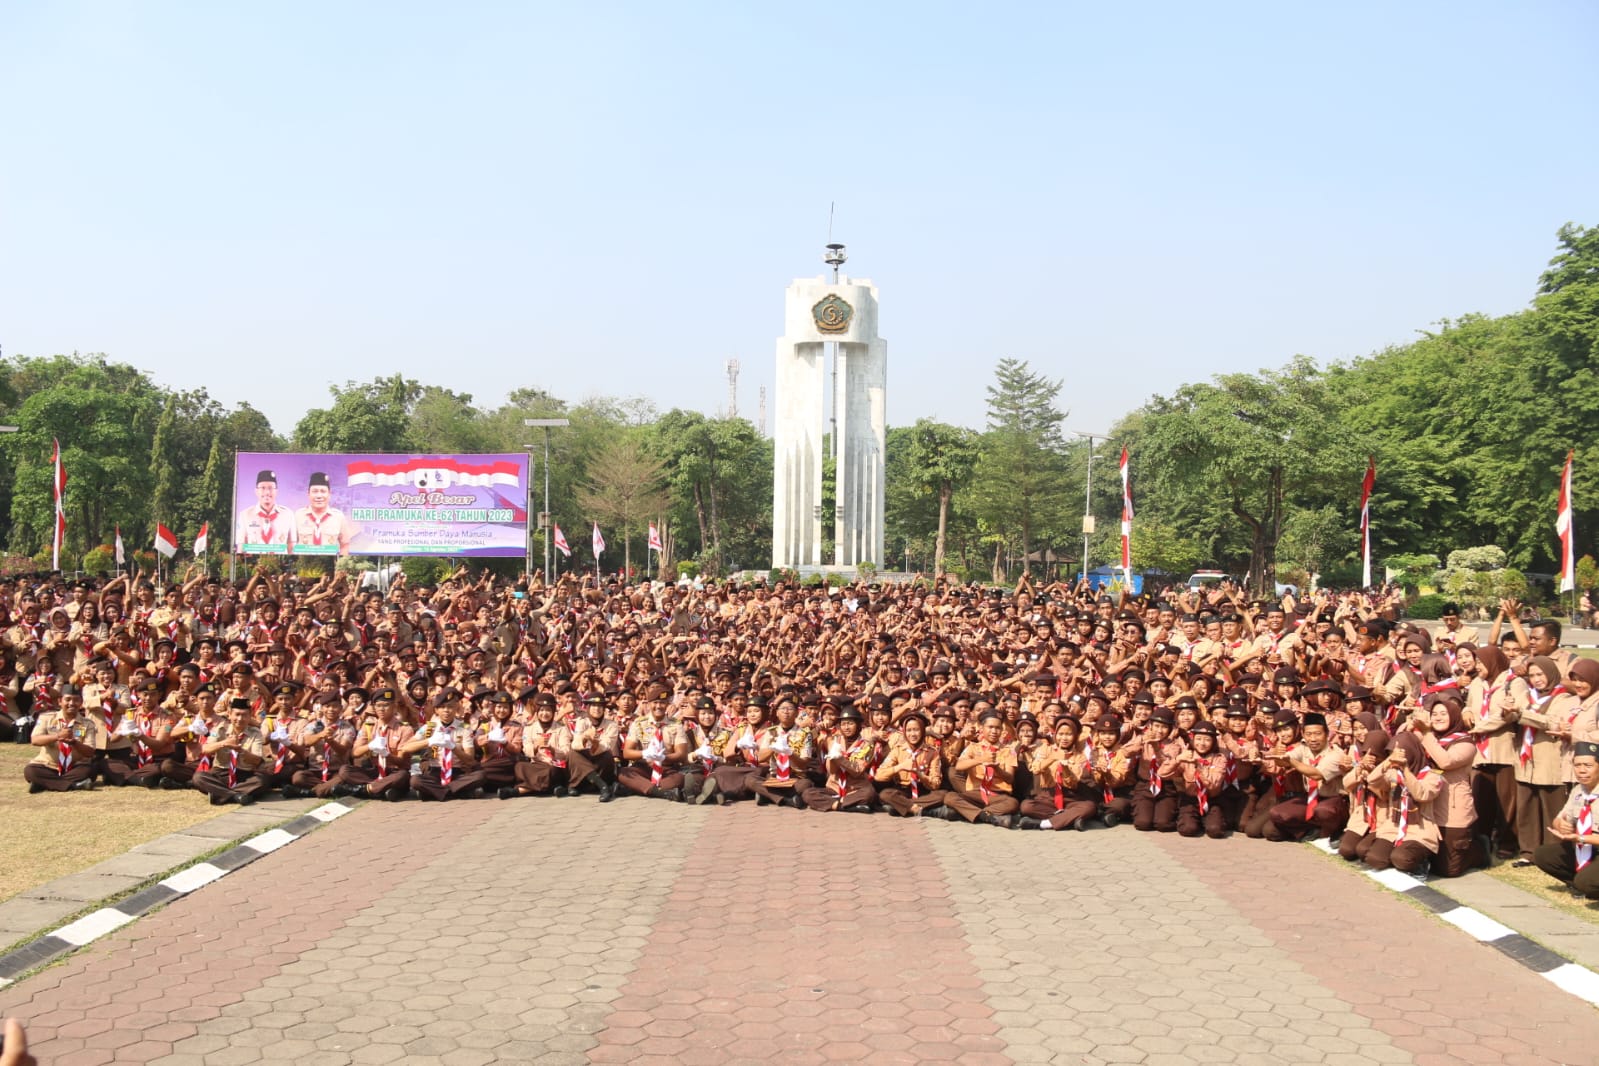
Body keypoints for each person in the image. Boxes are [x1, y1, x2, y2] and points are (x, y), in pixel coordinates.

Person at [1532, 740, 1599, 899]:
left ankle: (1586, 885)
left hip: (1591, 844)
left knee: (1587, 882)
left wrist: (1580, 837)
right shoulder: (1578, 791)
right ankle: (1577, 882)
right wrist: (1561, 825)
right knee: (1543, 855)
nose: (1582, 770)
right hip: (1583, 846)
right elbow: (1559, 819)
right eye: (1577, 765)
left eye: (1588, 766)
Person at [295, 471, 358, 554]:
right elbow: (291, 544)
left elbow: (345, 544)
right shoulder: (298, 515)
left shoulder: (338, 517)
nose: (319, 496)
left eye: (323, 491)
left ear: (329, 494)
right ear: (308, 494)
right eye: (315, 491)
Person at [235, 468, 297, 552]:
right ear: (256, 491)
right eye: (263, 488)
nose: (267, 492)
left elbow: (292, 546)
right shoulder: (245, 515)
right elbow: (241, 548)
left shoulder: (288, 515)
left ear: (276, 491)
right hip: (254, 562)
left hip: (280, 562)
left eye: (271, 488)